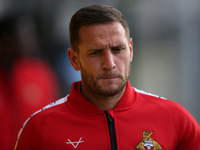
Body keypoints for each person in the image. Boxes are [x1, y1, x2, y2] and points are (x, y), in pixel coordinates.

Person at [14, 4, 200, 150]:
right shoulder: (40, 127)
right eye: (95, 52)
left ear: (131, 50)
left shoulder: (175, 119)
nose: (109, 63)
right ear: (74, 59)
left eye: (118, 49)